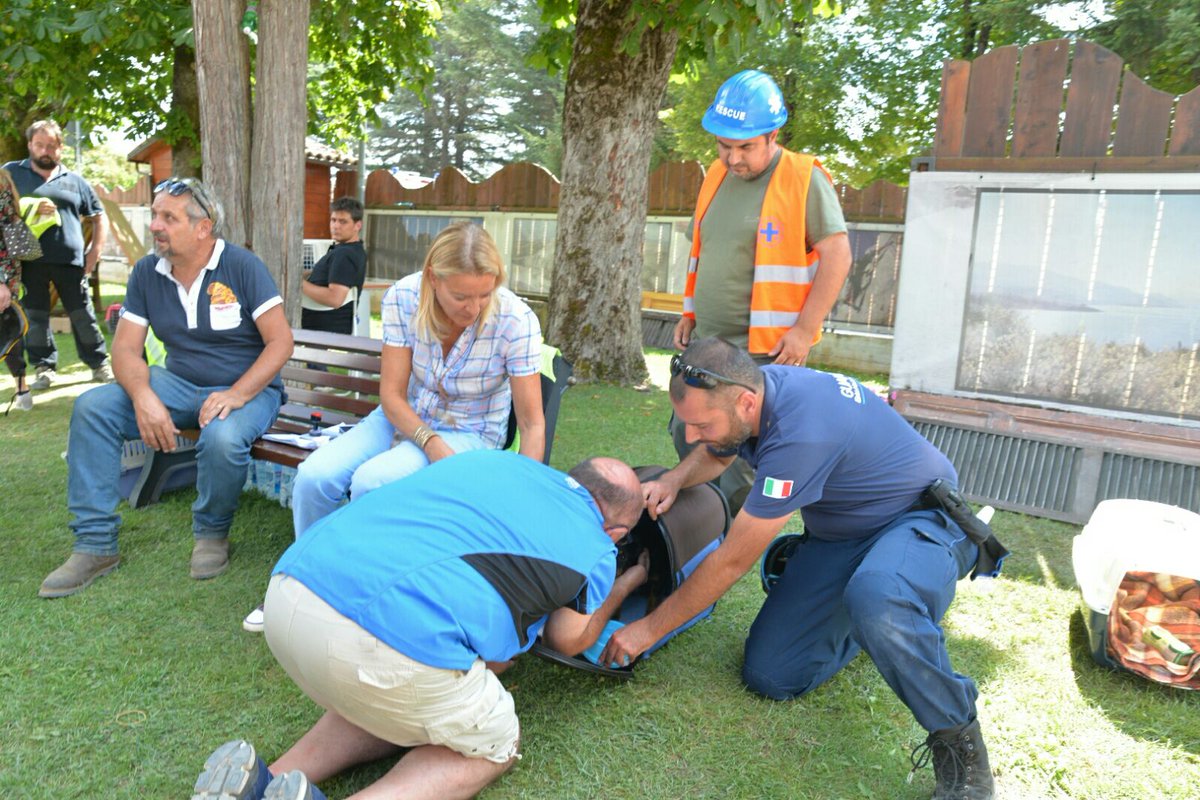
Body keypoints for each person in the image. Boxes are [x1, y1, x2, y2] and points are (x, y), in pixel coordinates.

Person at [601, 338, 997, 800]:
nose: (690, 436)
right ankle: (875, 613)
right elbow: (721, 447)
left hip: (919, 520)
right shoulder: (755, 396)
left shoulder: (802, 430)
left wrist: (647, 630)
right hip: (843, 536)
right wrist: (674, 477)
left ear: (746, 402)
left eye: (700, 424)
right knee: (772, 675)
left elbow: (730, 563)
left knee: (880, 598)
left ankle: (962, 747)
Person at [192, 450, 649, 800]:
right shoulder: (597, 545)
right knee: (495, 743)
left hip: (290, 592)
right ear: (616, 533)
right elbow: (567, 638)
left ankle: (261, 781)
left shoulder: (495, 461)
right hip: (382, 644)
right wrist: (626, 583)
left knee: (389, 695)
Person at [239, 220, 545, 633]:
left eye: (484, 294)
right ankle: (305, 583)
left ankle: (363, 599)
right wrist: (429, 441)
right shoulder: (404, 296)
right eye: (461, 296)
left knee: (374, 482)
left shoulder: (516, 319)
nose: (473, 309)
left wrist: (522, 493)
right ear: (434, 279)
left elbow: (531, 421)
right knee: (313, 476)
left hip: (472, 431)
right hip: (402, 413)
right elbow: (392, 396)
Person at [38, 177, 293, 598]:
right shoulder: (146, 272)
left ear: (202, 227)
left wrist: (237, 393)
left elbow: (280, 341)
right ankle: (94, 545)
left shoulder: (242, 267)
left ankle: (211, 534)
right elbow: (125, 351)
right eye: (155, 215)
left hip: (245, 388)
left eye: (168, 217)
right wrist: (144, 398)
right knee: (93, 407)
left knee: (224, 436)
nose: (155, 225)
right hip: (176, 385)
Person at [670, 70, 853, 514]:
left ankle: (727, 534)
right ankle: (703, 523)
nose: (732, 158)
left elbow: (839, 255)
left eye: (745, 147)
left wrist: (805, 330)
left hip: (765, 351)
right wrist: (689, 311)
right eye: (724, 145)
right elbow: (706, 249)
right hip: (708, 343)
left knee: (737, 454)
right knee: (689, 431)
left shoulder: (803, 178)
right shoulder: (715, 175)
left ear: (773, 135)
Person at [2, 119, 113, 389]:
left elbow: (99, 218)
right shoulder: (11, 173)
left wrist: (94, 252)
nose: (45, 151)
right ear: (30, 145)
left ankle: (99, 364)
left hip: (71, 262)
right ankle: (44, 368)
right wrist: (31, 208)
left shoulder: (75, 181)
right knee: (36, 317)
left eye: (51, 145)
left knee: (82, 314)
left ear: (60, 148)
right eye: (39, 144)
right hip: (28, 262)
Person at [300, 197, 367, 335]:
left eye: (343, 222)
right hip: (320, 326)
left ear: (357, 225)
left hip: (320, 330)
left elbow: (335, 299)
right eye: (333, 220)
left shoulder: (345, 255)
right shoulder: (350, 250)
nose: (336, 226)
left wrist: (296, 283)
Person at [0, 168, 32, 411]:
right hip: (7, 273)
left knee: (8, 329)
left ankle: (22, 389)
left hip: (3, 274)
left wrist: (2, 282)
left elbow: (6, 232)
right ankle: (22, 390)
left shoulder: (1, 183)